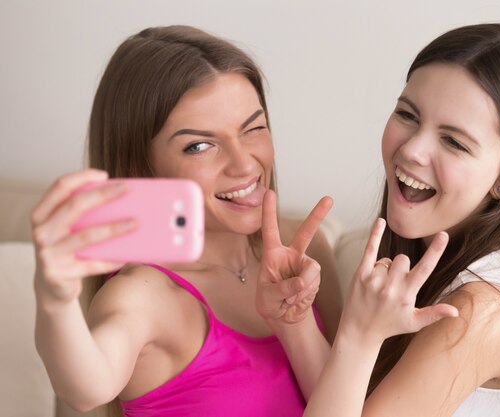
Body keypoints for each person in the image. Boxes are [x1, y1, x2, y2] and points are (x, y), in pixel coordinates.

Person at [257, 23, 500, 417]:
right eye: (408, 114)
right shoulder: (451, 264)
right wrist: (295, 323)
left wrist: (360, 336)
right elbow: (354, 406)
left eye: (454, 141)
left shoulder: (484, 310)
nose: (413, 149)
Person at [31, 25, 342, 417]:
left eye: (254, 128)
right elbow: (85, 387)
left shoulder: (306, 247)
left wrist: (298, 328)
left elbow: (346, 403)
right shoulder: (144, 293)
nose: (245, 163)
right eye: (199, 146)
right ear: (143, 164)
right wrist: (53, 297)